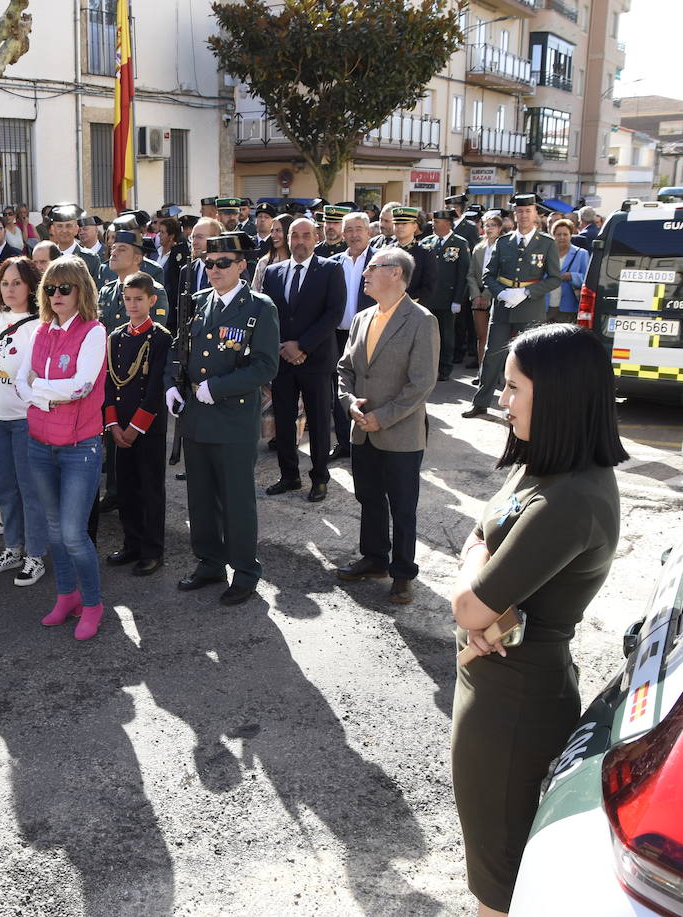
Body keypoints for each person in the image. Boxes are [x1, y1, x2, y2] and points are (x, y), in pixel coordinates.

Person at [450, 324, 627, 917]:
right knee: (492, 867)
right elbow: (479, 531)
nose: (501, 400)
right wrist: (481, 579)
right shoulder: (547, 468)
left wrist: (480, 597)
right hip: (499, 682)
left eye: (512, 388)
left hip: (514, 706)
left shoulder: (570, 498)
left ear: (555, 395)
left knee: (500, 887)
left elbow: (468, 606)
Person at [167, 232, 280, 606]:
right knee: (200, 498)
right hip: (196, 418)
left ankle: (246, 570)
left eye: (223, 263)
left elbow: (265, 366)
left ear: (242, 266)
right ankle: (210, 561)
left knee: (236, 500)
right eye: (209, 263)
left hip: (232, 419)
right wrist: (172, 385)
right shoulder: (197, 302)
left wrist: (216, 388)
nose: (214, 270)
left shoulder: (259, 307)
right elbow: (177, 350)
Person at [11, 256, 109, 640]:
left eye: (64, 288)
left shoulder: (94, 332)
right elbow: (19, 383)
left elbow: (81, 386)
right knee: (54, 531)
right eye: (50, 288)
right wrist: (48, 392)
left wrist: (41, 391)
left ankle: (94, 603)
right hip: (39, 443)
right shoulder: (40, 332)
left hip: (79, 447)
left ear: (81, 290)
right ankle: (66, 596)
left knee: (72, 533)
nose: (56, 295)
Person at [334, 247, 439, 605]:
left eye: (372, 268)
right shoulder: (363, 318)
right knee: (368, 498)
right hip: (362, 428)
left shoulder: (421, 320)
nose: (365, 274)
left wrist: (385, 416)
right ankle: (375, 559)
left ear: (396, 273)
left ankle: (402, 573)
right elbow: (344, 369)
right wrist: (349, 403)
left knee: (403, 506)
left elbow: (422, 382)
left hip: (400, 433)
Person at [260, 217, 346, 503]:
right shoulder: (272, 273)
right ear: (287, 239)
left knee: (320, 421)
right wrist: (283, 348)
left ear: (315, 237)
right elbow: (269, 315)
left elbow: (333, 313)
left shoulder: (331, 269)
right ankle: (289, 475)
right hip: (283, 360)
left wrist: (303, 346)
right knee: (283, 420)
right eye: (294, 235)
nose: (299, 241)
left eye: (305, 235)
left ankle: (320, 477)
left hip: (316, 360)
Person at [0, 256, 47, 586]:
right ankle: (13, 548)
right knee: (4, 488)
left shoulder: (39, 323)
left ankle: (35, 555)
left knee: (29, 489)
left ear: (31, 285)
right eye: (5, 283)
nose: (10, 288)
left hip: (23, 420)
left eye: (16, 282)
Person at [464, 194, 560, 419]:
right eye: (520, 211)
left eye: (528, 211)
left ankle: (530, 405)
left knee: (530, 358)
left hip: (530, 306)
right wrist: (502, 292)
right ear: (515, 215)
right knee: (492, 355)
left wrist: (527, 292)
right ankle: (481, 402)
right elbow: (488, 275)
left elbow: (554, 278)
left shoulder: (547, 243)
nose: (524, 215)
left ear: (535, 214)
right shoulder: (504, 242)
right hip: (504, 305)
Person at [103, 272, 171, 576]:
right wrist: (113, 425)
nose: (132, 304)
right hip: (120, 428)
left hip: (148, 427)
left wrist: (134, 427)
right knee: (126, 489)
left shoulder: (160, 337)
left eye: (138, 299)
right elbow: (110, 384)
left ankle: (152, 549)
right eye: (128, 299)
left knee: (150, 489)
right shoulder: (116, 337)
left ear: (151, 300)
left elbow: (156, 387)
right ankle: (132, 543)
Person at [331, 211, 374, 461]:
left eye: (359, 229)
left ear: (369, 232)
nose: (354, 234)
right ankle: (343, 443)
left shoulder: (380, 260)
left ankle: (367, 441)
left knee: (368, 388)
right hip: (337, 336)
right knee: (340, 389)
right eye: (348, 230)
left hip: (369, 335)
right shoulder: (334, 262)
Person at [421, 209, 473, 381]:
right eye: (433, 222)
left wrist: (458, 299)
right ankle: (430, 367)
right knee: (428, 336)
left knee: (446, 335)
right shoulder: (428, 242)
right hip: (428, 298)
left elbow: (463, 274)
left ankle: (445, 368)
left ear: (447, 223)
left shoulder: (459, 243)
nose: (433, 225)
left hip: (448, 298)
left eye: (437, 222)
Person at [467, 211, 505, 372]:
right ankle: (483, 371)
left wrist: (487, 295)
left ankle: (497, 372)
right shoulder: (478, 248)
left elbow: (501, 274)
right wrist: (476, 295)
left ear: (500, 228)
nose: (489, 229)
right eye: (486, 225)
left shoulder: (504, 246)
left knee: (497, 337)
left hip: (496, 294)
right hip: (478, 295)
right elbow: (471, 274)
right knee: (481, 335)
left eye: (493, 225)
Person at [46, 203, 103, 279]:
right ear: (53, 230)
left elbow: (96, 289)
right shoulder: (47, 257)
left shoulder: (91, 259)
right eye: (59, 226)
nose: (64, 230)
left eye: (68, 226)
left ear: (76, 229)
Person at [549, 218, 588, 323]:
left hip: (568, 306)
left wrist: (571, 276)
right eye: (558, 234)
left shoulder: (581, 254)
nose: (562, 237)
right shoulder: (547, 253)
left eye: (565, 234)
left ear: (571, 235)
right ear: (553, 236)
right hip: (547, 305)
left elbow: (587, 279)